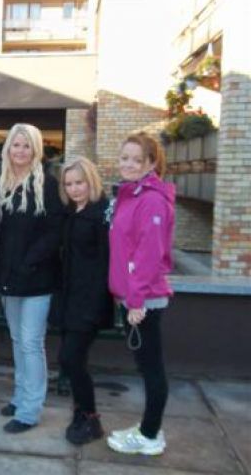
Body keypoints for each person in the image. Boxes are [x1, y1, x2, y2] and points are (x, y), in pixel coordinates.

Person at [0, 123, 65, 433]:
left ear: (36, 149)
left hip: (37, 279)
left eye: (26, 145)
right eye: (15, 145)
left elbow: (54, 232)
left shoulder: (48, 184)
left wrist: (28, 262)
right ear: (8, 147)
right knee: (17, 340)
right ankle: (20, 397)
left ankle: (30, 410)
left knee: (31, 343)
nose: (20, 151)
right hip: (8, 277)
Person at [106, 132, 175, 456]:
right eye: (125, 158)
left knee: (151, 368)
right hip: (133, 297)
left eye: (137, 160)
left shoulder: (151, 200)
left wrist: (136, 301)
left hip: (143, 300)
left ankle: (149, 435)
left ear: (151, 163)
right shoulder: (131, 194)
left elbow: (149, 255)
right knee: (146, 365)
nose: (129, 164)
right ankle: (150, 429)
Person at [55, 157, 113, 445]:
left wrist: (95, 304)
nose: (74, 188)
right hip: (70, 297)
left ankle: (90, 418)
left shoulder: (102, 214)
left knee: (71, 358)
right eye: (69, 184)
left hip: (90, 300)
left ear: (91, 181)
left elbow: (106, 263)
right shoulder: (71, 211)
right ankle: (80, 413)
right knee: (72, 360)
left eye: (79, 182)